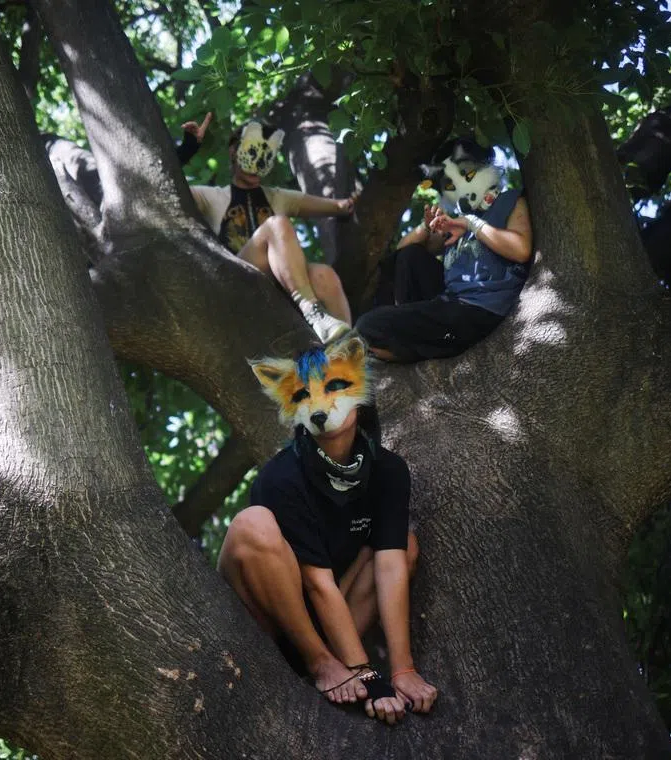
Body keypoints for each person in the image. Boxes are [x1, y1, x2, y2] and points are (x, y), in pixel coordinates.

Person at [219, 335, 438, 723]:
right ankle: (323, 663)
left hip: (336, 613)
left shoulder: (388, 470)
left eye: (334, 385)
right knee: (252, 523)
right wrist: (365, 674)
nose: (320, 405)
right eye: (303, 395)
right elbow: (316, 582)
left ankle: (340, 660)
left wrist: (402, 670)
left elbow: (391, 565)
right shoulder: (281, 477)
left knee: (403, 545)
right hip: (272, 621)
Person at [356, 138, 533, 363]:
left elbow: (521, 250)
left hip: (481, 310)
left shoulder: (509, 201)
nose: (463, 188)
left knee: (369, 326)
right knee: (410, 257)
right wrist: (426, 226)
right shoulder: (457, 223)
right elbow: (402, 253)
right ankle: (410, 341)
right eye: (449, 186)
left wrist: (472, 224)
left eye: (468, 174)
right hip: (449, 305)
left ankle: (407, 348)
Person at [188, 121, 354, 344]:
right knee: (277, 224)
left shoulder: (278, 197)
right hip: (235, 281)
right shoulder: (211, 197)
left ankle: (348, 345)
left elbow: (336, 207)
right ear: (234, 151)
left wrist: (347, 205)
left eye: (267, 155)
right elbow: (168, 188)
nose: (258, 162)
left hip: (276, 286)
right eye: (252, 151)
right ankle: (312, 311)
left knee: (324, 274)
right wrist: (187, 148)